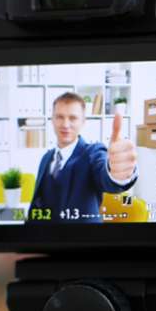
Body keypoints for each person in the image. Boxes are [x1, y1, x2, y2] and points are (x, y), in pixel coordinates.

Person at [27, 92, 138, 223]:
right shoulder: (46, 158)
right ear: (52, 120)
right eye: (60, 117)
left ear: (83, 122)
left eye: (73, 118)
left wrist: (117, 175)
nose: (65, 124)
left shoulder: (93, 153)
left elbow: (105, 176)